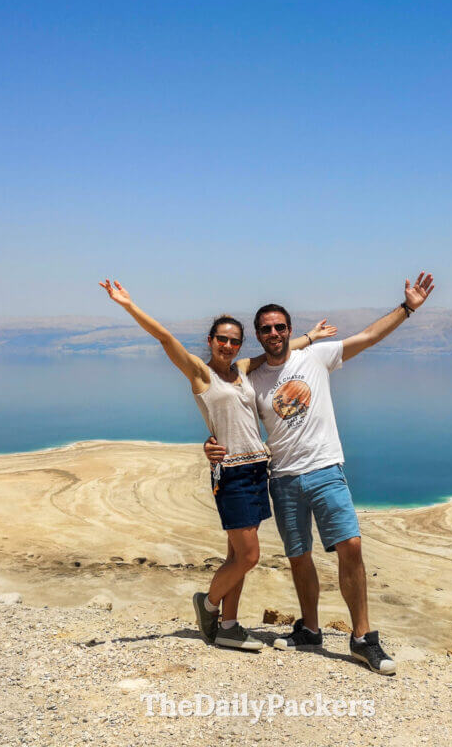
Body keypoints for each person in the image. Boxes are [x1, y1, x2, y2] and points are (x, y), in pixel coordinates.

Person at [204, 271, 435, 674]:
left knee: (351, 547)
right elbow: (229, 416)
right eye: (266, 329)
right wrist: (210, 445)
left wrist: (406, 309)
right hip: (283, 479)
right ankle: (309, 629)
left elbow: (368, 337)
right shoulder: (251, 378)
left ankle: (363, 637)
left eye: (280, 327)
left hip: (326, 469)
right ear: (258, 336)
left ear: (289, 329)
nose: (273, 333)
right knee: (299, 557)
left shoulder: (316, 356)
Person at [98, 279, 337, 651]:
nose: (228, 346)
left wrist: (309, 336)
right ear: (210, 341)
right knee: (250, 556)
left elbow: (277, 351)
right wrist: (128, 305)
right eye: (221, 339)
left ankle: (228, 625)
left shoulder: (241, 369)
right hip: (232, 476)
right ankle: (208, 605)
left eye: (234, 340)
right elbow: (164, 339)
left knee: (235, 555)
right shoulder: (200, 373)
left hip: (259, 469)